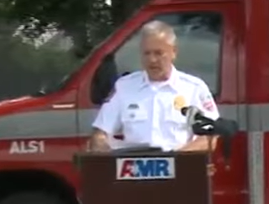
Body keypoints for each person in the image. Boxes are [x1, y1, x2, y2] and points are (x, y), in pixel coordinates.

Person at [89, 20, 220, 153]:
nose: (152, 60)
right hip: (134, 169)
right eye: (147, 53)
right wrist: (103, 150)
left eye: (158, 53)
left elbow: (211, 136)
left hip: (180, 168)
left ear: (173, 52)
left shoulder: (194, 89)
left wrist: (177, 158)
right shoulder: (124, 87)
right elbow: (100, 133)